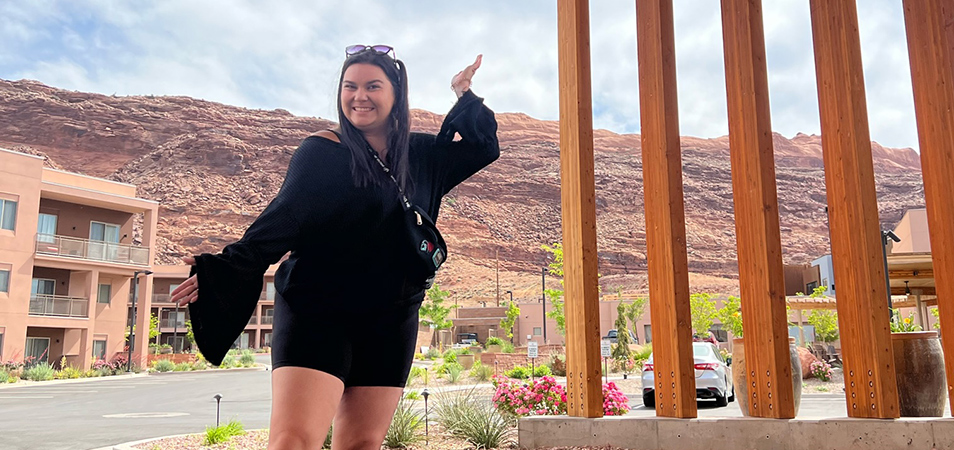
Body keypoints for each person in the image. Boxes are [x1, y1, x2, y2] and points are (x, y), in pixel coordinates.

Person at [170, 45, 498, 450]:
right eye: (350, 86)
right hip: (318, 309)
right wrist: (226, 267)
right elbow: (285, 216)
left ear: (396, 94)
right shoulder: (323, 151)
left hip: (391, 316)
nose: (360, 96)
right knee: (293, 440)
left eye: (373, 86)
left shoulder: (423, 155)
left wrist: (463, 93)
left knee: (362, 443)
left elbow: (484, 147)